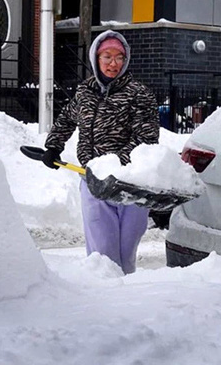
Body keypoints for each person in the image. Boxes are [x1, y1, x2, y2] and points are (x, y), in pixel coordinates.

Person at [41, 30, 159, 274]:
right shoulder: (85, 91)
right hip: (93, 181)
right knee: (102, 256)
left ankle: (125, 304)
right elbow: (66, 119)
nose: (113, 63)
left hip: (130, 185)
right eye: (107, 56)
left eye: (119, 57)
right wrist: (54, 145)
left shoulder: (139, 94)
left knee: (125, 259)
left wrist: (113, 164)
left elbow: (147, 138)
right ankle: (102, 300)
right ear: (96, 58)